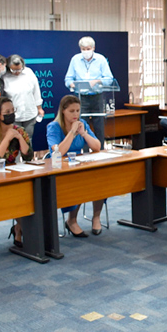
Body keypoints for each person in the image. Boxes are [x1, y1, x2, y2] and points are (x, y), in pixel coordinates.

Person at [47, 95, 105, 237]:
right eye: (71, 111)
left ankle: (96, 217)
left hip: (77, 165)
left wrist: (83, 133)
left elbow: (97, 147)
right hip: (58, 169)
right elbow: (58, 152)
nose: (75, 114)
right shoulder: (53, 127)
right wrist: (72, 132)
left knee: (101, 179)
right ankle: (71, 220)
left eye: (78, 111)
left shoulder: (82, 124)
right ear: (63, 111)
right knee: (79, 182)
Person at [0, 97, 33, 248]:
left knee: (25, 198)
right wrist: (8, 138)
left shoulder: (19, 130)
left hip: (11, 174)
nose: (11, 114)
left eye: (13, 111)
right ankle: (23, 228)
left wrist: (18, 137)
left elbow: (28, 156)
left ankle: (20, 229)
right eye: (7, 112)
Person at [64, 36, 115, 147]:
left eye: (88, 49)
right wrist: (73, 85)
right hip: (81, 98)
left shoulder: (101, 59)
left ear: (93, 48)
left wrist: (97, 81)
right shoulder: (75, 59)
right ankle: (84, 153)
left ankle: (100, 150)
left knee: (99, 127)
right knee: (81, 126)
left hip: (97, 97)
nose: (85, 51)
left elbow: (109, 79)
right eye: (83, 49)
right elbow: (68, 79)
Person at [2, 55, 44, 141]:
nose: (17, 72)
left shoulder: (29, 73)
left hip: (30, 113)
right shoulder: (4, 76)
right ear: (8, 67)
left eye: (19, 69)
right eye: (14, 70)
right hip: (13, 116)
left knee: (28, 139)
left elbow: (36, 91)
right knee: (14, 141)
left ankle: (28, 155)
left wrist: (39, 107)